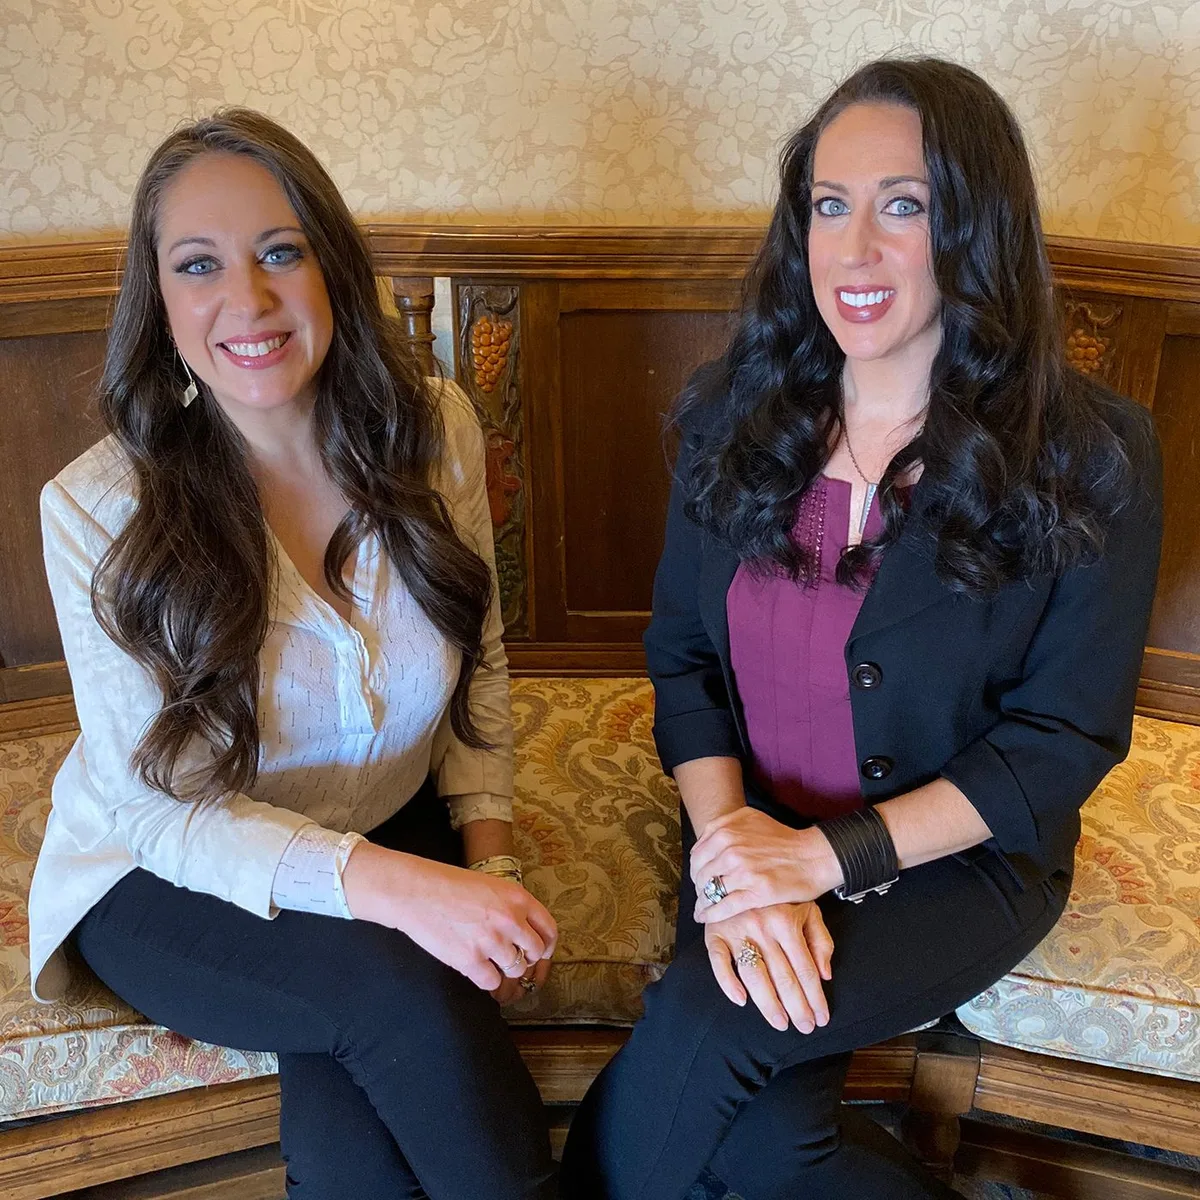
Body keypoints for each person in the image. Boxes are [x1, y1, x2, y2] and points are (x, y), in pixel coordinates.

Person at [559, 57, 1162, 1200]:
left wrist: (824, 859)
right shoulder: (730, 411)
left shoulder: (1092, 455)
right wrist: (736, 849)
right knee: (761, 1141)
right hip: (752, 822)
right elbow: (683, 659)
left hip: (958, 860)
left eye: (904, 206)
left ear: (975, 227)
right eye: (829, 206)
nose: (854, 248)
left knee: (711, 1020)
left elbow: (1061, 742)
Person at [28, 109, 558, 1200]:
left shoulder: (434, 429)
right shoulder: (95, 507)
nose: (249, 300)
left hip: (386, 818)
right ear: (158, 300)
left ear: (332, 266)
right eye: (199, 265)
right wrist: (401, 892)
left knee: (359, 1151)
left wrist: (488, 862)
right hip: (168, 874)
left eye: (279, 252)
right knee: (403, 995)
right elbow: (159, 812)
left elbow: (481, 662)